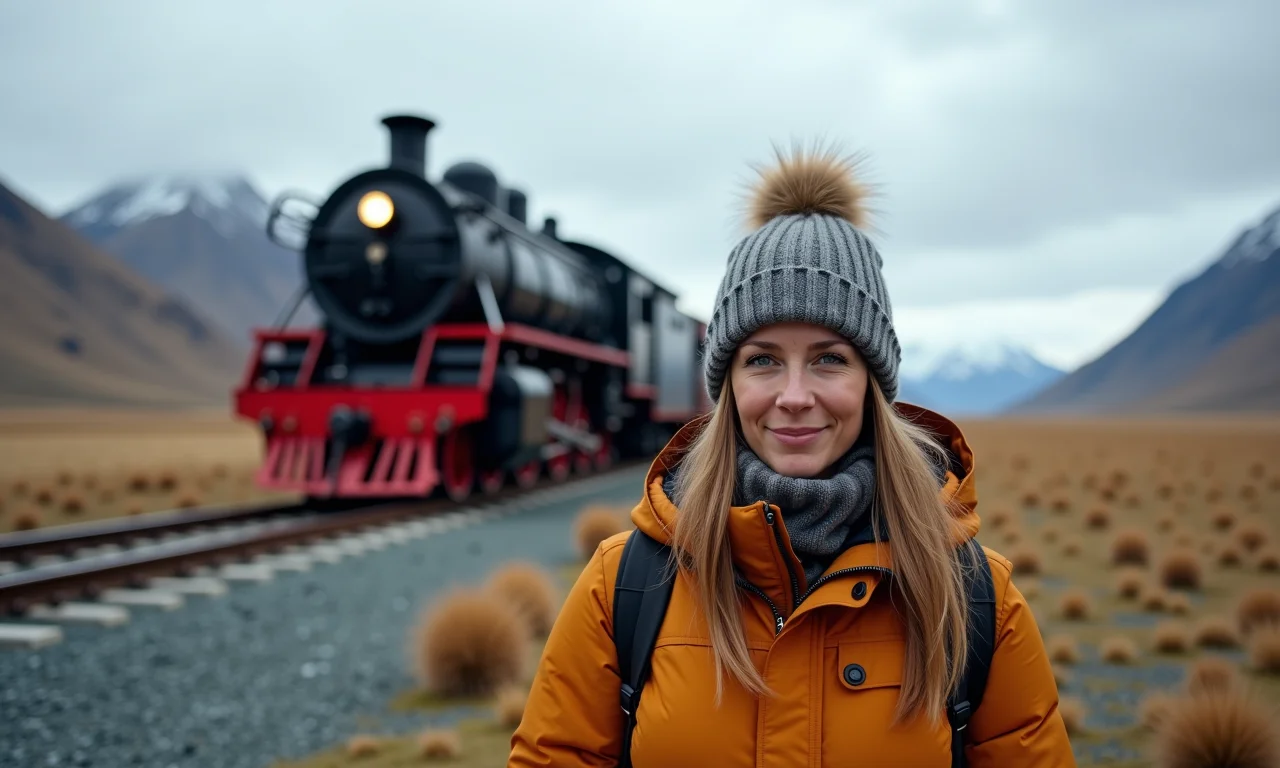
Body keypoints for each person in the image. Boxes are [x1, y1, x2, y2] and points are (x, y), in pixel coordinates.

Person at [507, 146, 1075, 766]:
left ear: (872, 384)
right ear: (728, 386)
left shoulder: (973, 595)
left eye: (830, 359)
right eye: (763, 360)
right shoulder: (626, 585)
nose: (795, 396)